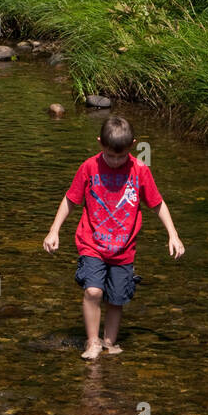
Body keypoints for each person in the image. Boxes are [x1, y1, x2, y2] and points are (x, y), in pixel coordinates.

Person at [43, 116, 184, 359]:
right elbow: (71, 200)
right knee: (94, 292)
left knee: (117, 298)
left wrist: (173, 234)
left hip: (124, 249)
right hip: (92, 244)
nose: (116, 161)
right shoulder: (89, 167)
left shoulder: (140, 171)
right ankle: (92, 341)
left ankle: (109, 341)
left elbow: (157, 203)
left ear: (133, 145)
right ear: (100, 144)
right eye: (110, 156)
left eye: (121, 156)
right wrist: (54, 230)